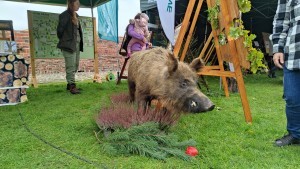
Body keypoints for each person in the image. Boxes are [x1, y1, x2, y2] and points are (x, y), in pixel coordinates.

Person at [271, 0, 300, 146]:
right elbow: (281, 21)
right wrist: (278, 49)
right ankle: (295, 134)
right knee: (292, 97)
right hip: (294, 53)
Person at [57, 0, 83, 94]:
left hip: (76, 45)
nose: (79, 5)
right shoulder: (64, 15)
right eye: (77, 3)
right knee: (70, 66)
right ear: (71, 4)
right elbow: (59, 31)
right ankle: (72, 85)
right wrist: (66, 41)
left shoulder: (76, 16)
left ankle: (69, 84)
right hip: (68, 45)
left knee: (75, 65)